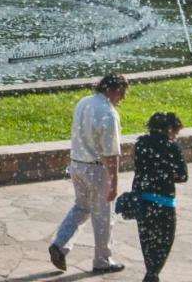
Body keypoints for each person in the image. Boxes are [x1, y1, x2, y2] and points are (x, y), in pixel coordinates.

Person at [48, 74, 129, 274]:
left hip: (76, 164)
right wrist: (114, 183)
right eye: (122, 92)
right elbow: (111, 154)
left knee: (81, 207)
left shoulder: (84, 102)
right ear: (111, 89)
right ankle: (103, 260)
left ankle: (60, 243)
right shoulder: (109, 114)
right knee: (103, 216)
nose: (123, 98)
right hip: (96, 169)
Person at [133, 111, 188, 282]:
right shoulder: (172, 146)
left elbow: (139, 167)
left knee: (147, 240)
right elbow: (183, 176)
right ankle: (153, 273)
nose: (175, 135)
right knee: (164, 240)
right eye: (175, 132)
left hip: (143, 199)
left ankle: (151, 270)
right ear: (169, 128)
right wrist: (167, 174)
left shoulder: (140, 143)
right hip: (163, 200)